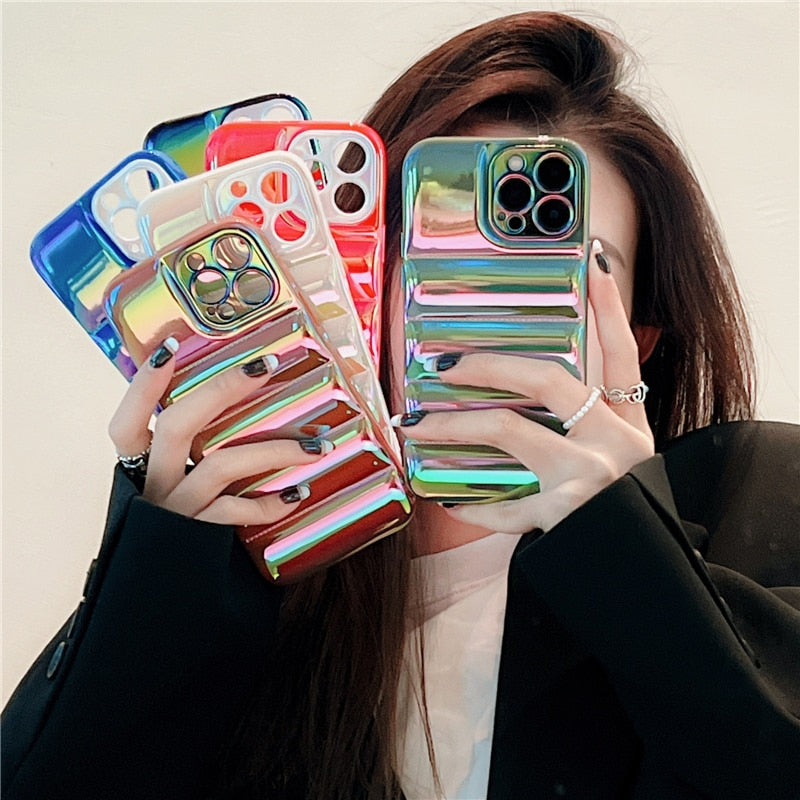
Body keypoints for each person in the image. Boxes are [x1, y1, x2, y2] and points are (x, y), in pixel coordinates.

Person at [3, 11, 799, 800]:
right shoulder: (258, 578)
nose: (493, 298)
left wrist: (632, 556)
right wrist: (165, 578)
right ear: (367, 283)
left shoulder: (750, 500)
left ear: (639, 338)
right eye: (443, 243)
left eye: (572, 261)